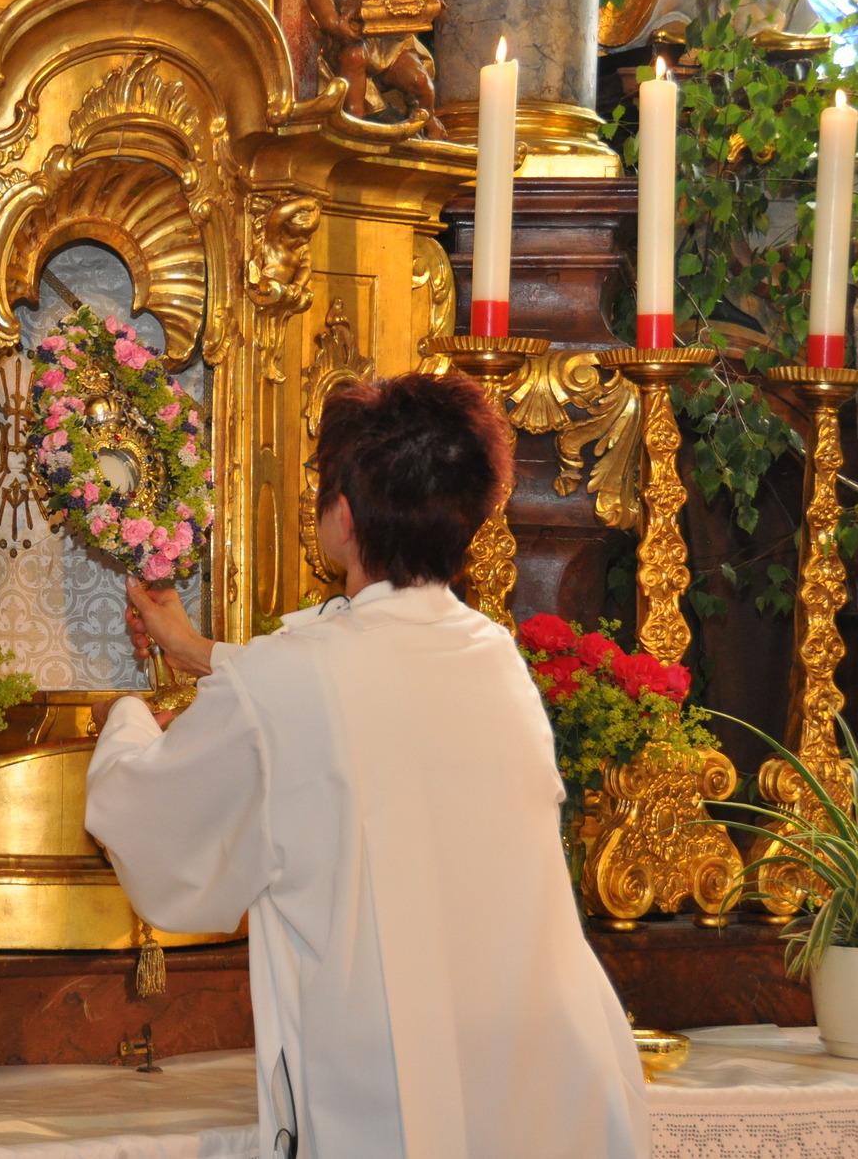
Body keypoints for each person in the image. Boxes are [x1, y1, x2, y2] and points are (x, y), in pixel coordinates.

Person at [86, 373, 650, 1159]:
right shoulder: (493, 657)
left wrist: (123, 719)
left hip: (391, 1097)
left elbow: (151, 831)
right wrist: (200, 653)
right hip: (549, 1086)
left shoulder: (292, 679)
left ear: (343, 516)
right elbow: (358, 689)